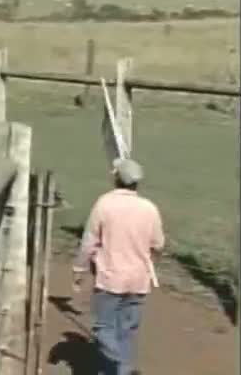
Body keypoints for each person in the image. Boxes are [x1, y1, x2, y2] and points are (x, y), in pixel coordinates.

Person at [72, 157, 165, 375]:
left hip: (109, 279)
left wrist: (79, 268)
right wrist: (148, 259)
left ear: (116, 179)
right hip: (139, 281)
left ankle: (115, 363)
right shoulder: (149, 209)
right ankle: (122, 369)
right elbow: (159, 244)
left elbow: (89, 241)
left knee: (103, 328)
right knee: (127, 332)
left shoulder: (104, 204)